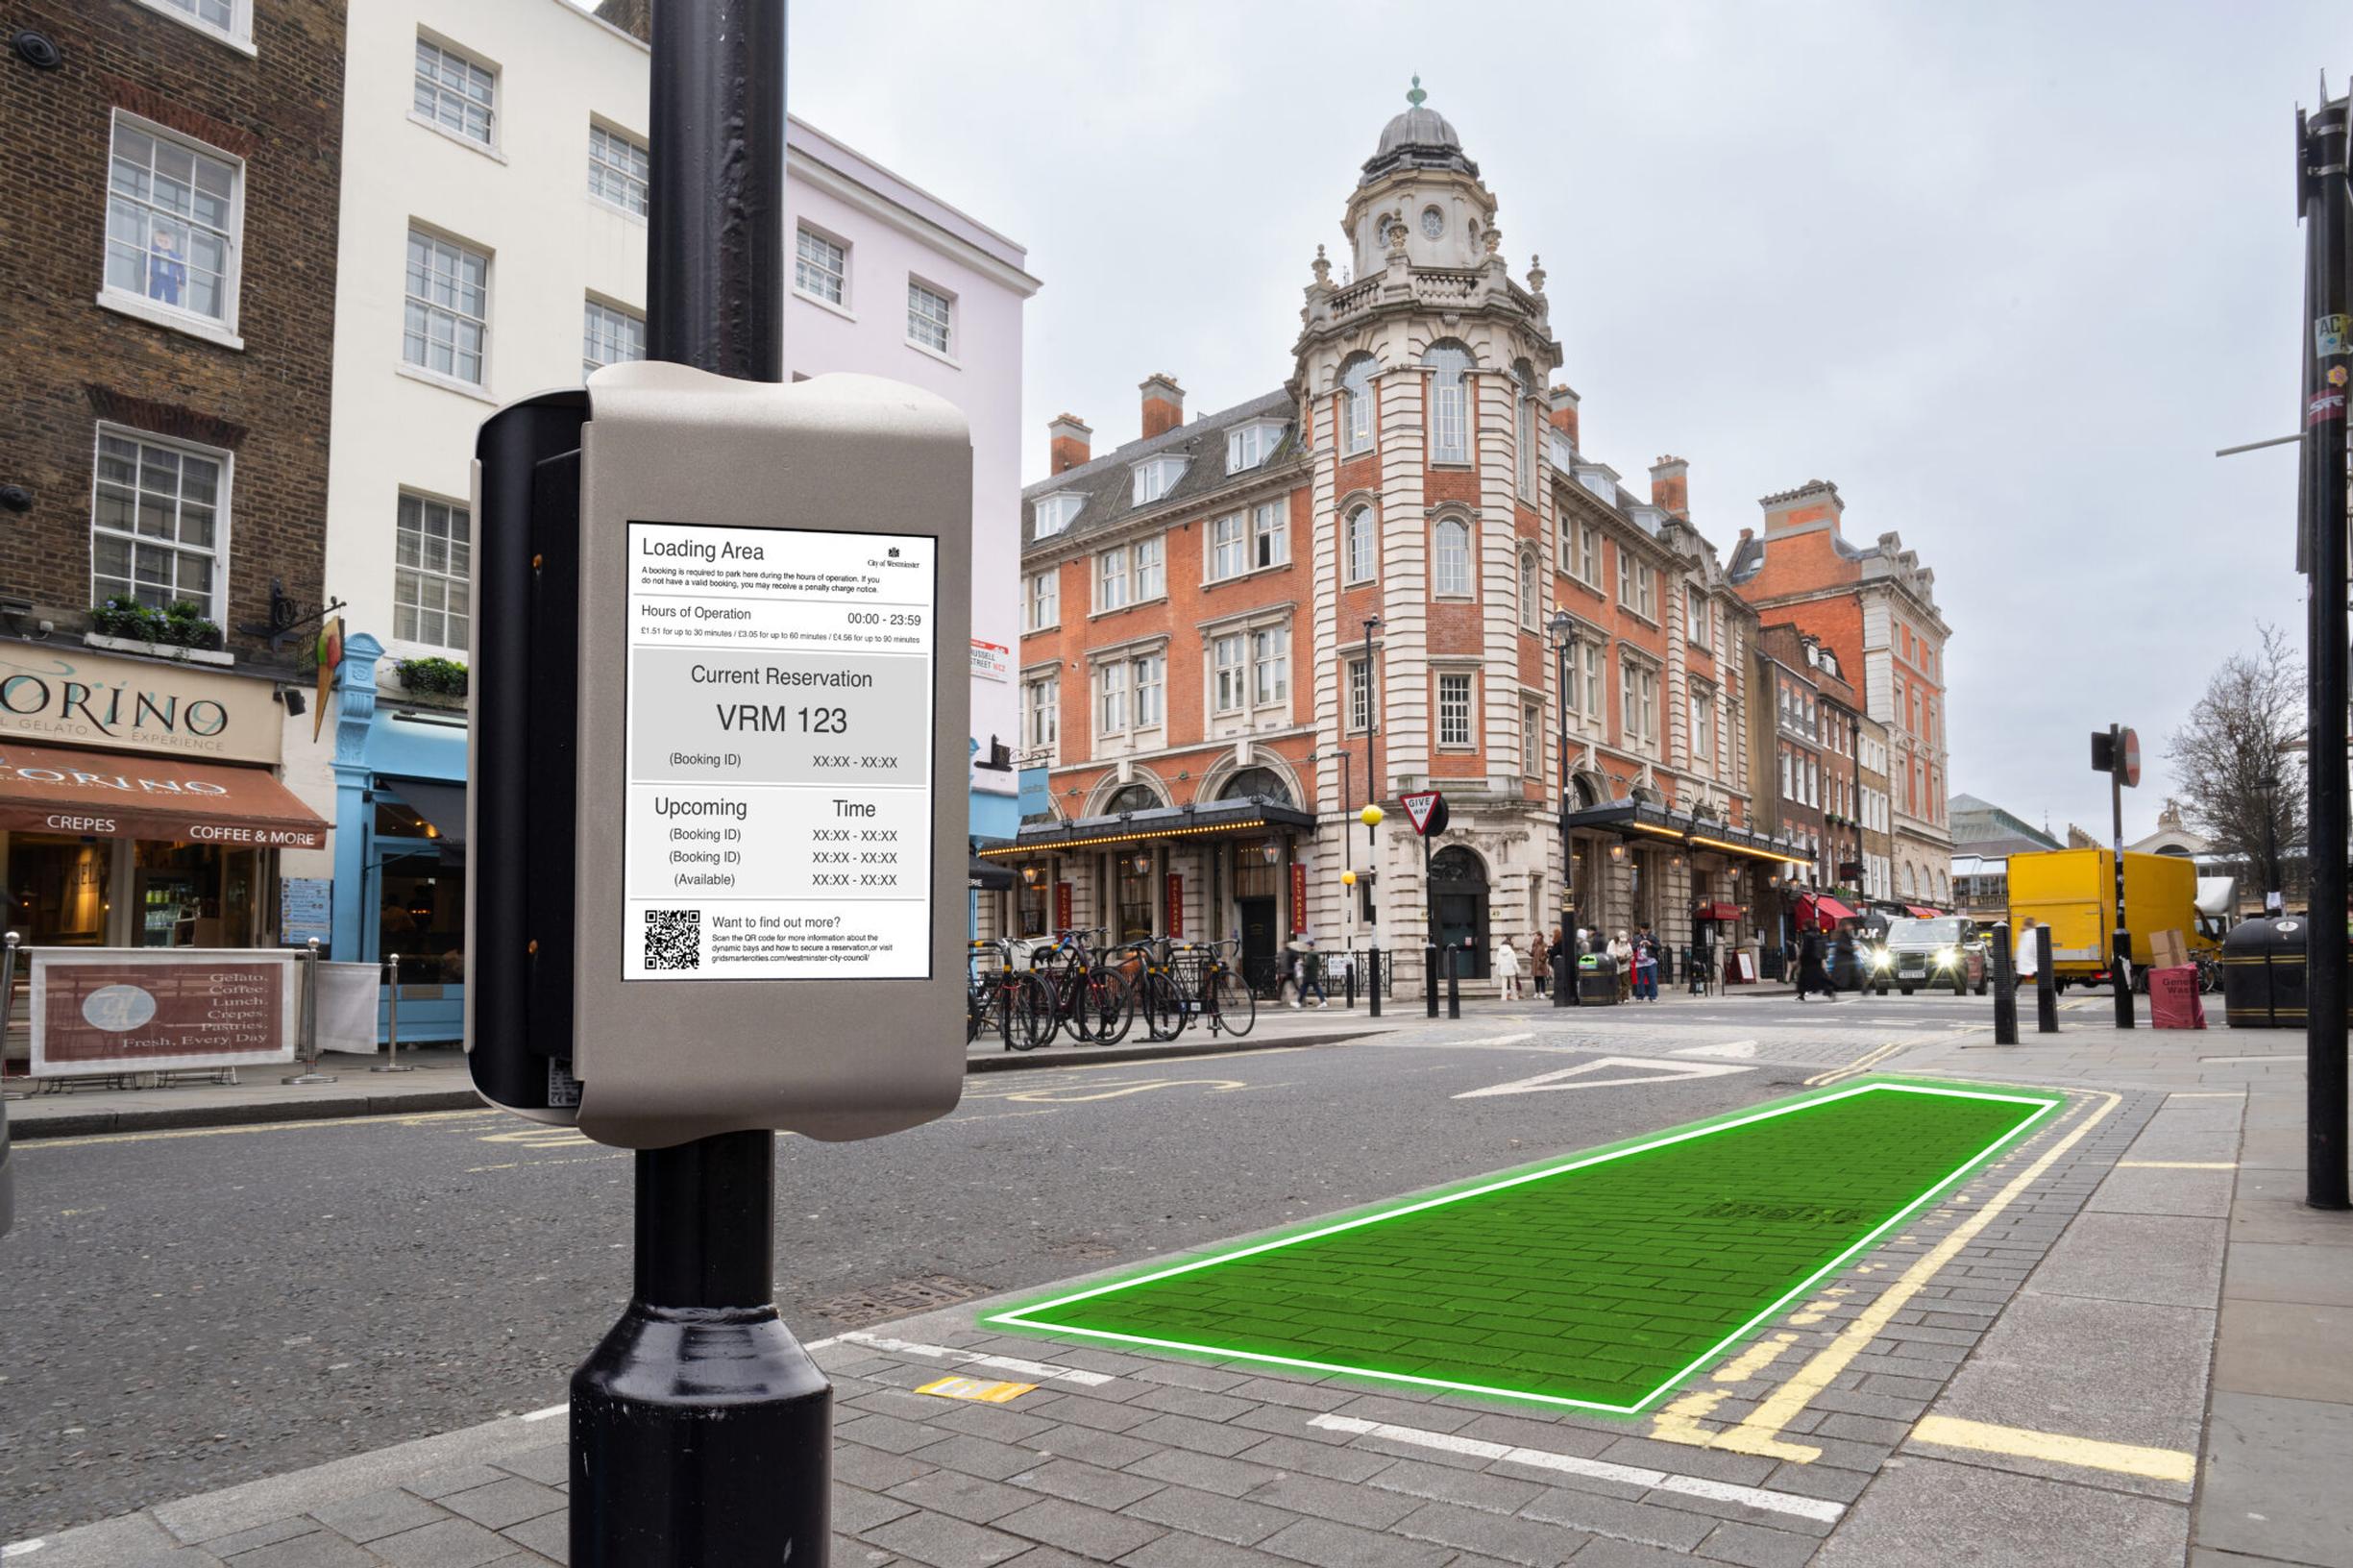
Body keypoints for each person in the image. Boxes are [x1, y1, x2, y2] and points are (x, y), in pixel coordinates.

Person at [1795, 925, 1836, 1001]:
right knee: (1820, 978)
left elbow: (1805, 949)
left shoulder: (1808, 936)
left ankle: (1802, 994)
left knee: (1804, 978)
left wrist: (1801, 959)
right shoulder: (1818, 936)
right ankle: (1829, 990)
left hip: (1808, 962)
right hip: (1817, 960)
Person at [1631, 924, 1660, 1002]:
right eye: (1643, 930)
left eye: (1646, 930)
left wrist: (1650, 944)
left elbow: (1658, 947)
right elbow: (1632, 948)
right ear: (1640, 929)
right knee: (1640, 980)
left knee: (1652, 980)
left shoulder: (1653, 937)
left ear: (1648, 930)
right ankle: (1640, 996)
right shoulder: (1636, 938)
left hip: (1651, 961)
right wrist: (1639, 944)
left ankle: (1653, 996)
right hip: (1640, 962)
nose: (1644, 932)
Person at [1494, 934, 1523, 1001]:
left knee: (1504, 984)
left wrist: (1497, 970)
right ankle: (1514, 997)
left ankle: (1503, 997)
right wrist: (1518, 970)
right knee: (1513, 984)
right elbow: (1514, 962)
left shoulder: (1499, 952)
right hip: (1511, 970)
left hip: (1503, 970)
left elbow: (1497, 962)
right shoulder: (1511, 952)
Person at [1608, 929, 1635, 1001]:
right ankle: (1618, 997)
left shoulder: (1627, 943)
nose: (1623, 941)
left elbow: (1631, 953)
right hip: (1616, 965)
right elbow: (1609, 953)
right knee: (1617, 982)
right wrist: (1618, 956)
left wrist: (1626, 956)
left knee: (1625, 982)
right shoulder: (1612, 943)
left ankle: (1625, 997)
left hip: (1625, 965)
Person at [2015, 916, 2040, 983]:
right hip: (2030, 959)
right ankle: (2045, 990)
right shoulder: (2032, 933)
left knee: (2021, 976)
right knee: (2040, 974)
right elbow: (2033, 945)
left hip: (2023, 959)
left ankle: (2012, 990)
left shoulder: (2022, 932)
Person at [1529, 929, 1550, 997]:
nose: (1535, 937)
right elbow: (1532, 954)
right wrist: (1529, 952)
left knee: (1542, 978)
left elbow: (1546, 954)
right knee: (1536, 978)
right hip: (1535, 964)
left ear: (1540, 936)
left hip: (1541, 964)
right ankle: (1537, 992)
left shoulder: (1544, 944)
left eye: (1536, 936)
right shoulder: (1534, 944)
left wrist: (1541, 960)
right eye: (1535, 936)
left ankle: (1543, 992)